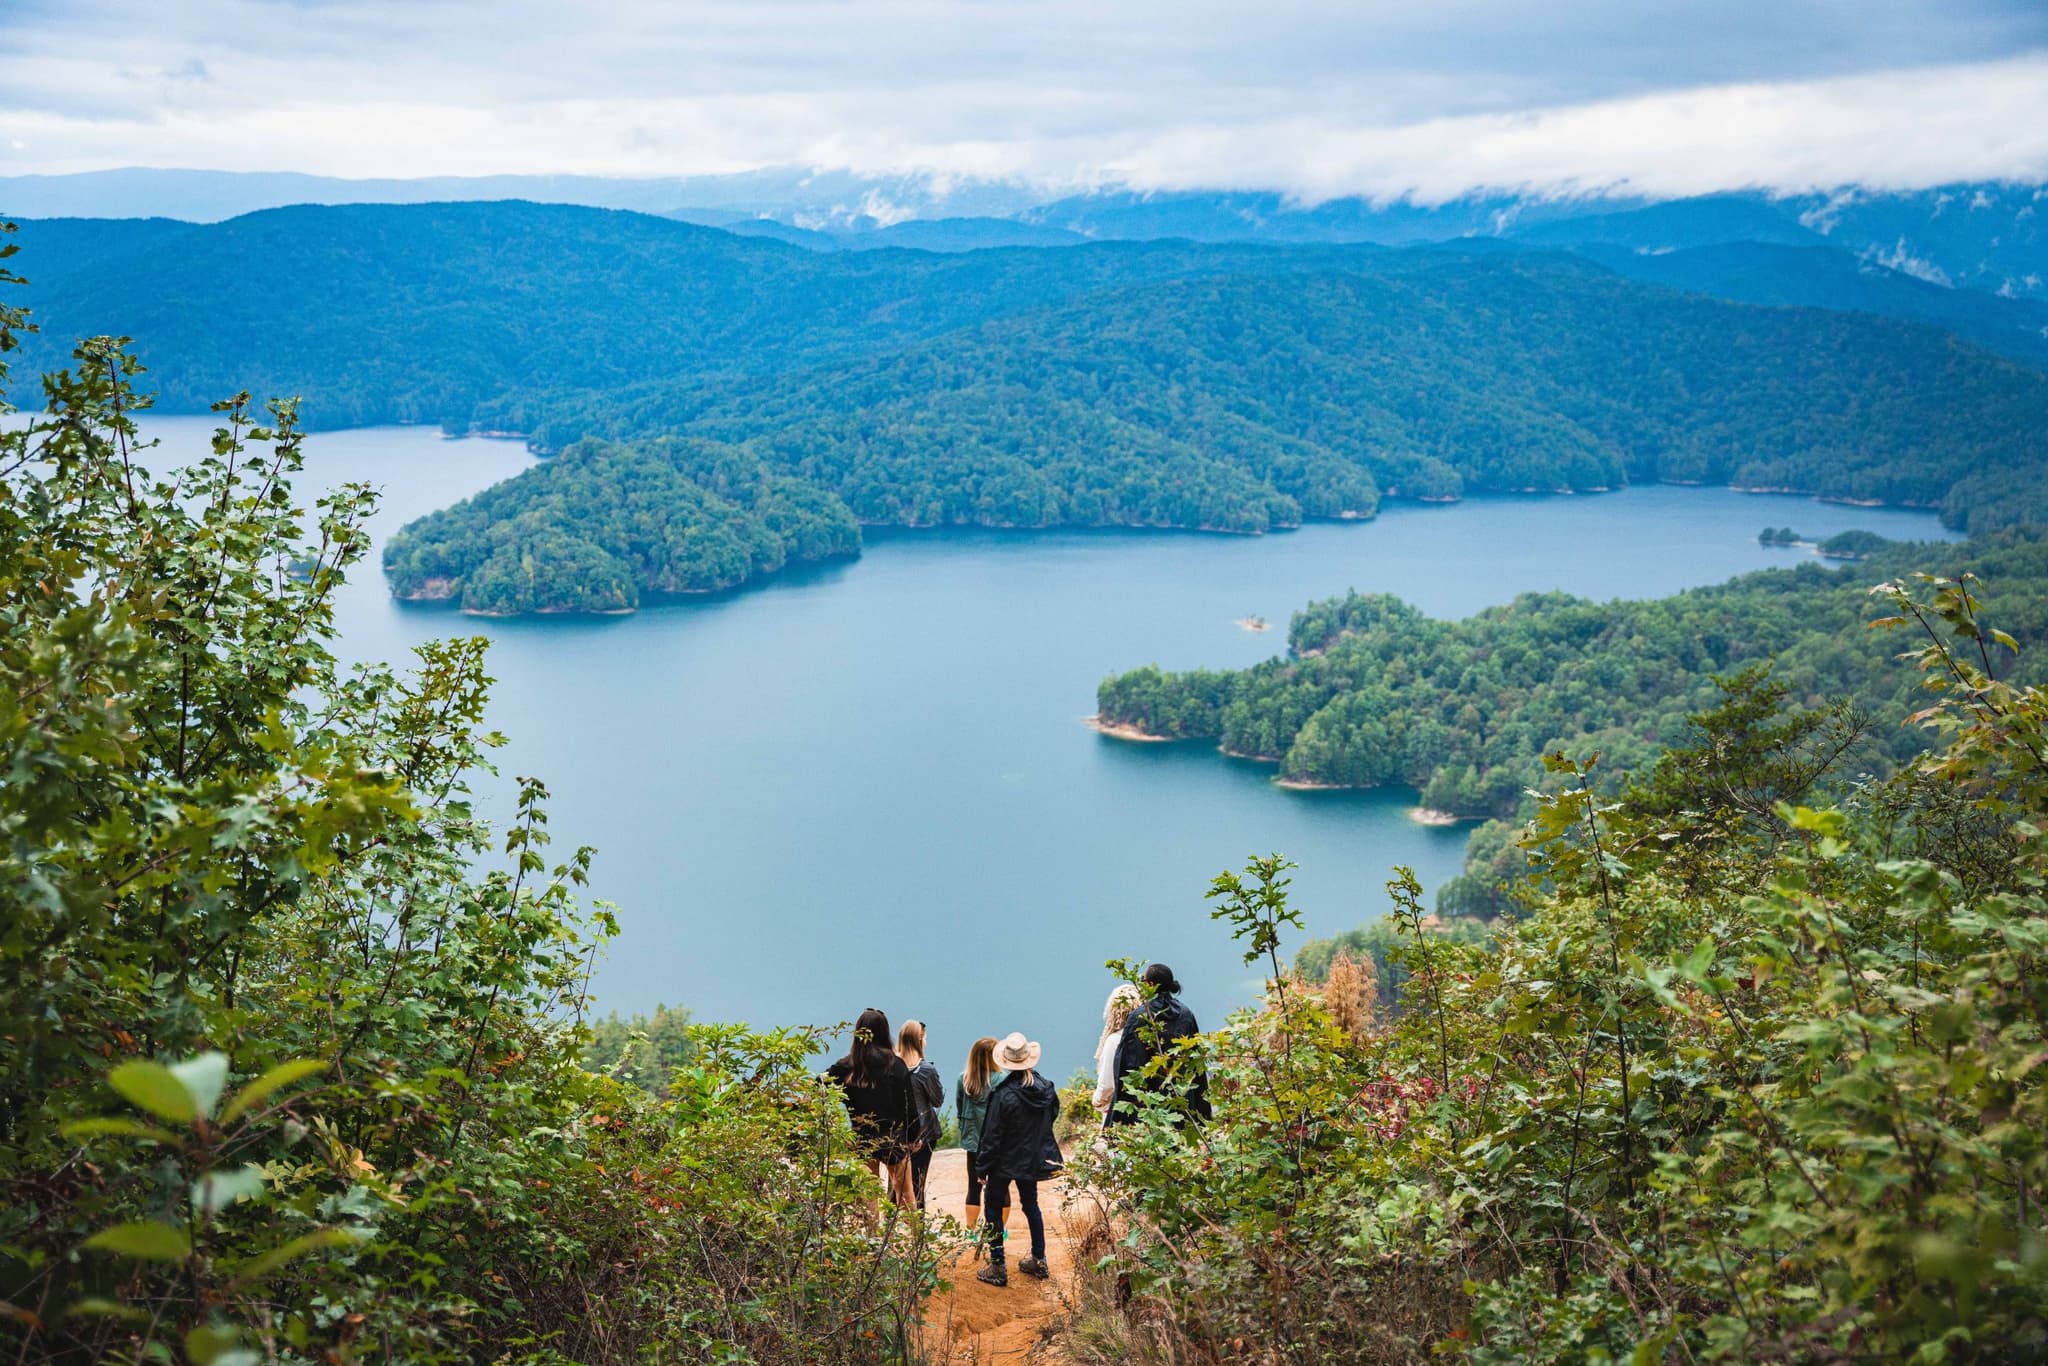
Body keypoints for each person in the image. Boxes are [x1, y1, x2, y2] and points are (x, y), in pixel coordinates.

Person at [974, 1031, 1064, 1288]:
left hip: (1003, 1162)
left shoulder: (1003, 1095)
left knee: (992, 1206)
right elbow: (1052, 1115)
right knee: (1031, 1205)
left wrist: (982, 1167)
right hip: (1031, 1158)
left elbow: (992, 1136)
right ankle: (1039, 1258)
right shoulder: (1046, 1089)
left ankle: (998, 1265)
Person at [823, 1007, 918, 1206]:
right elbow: (907, 1103)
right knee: (906, 1196)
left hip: (861, 1138)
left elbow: (819, 1085)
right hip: (892, 1138)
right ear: (885, 1032)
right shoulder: (895, 1064)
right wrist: (914, 1135)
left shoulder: (846, 1066)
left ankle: (871, 1236)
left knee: (868, 1198)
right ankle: (914, 1236)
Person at [1106, 963, 1211, 1127]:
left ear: (1149, 984)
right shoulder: (1186, 1015)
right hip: (1182, 1101)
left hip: (1148, 1107)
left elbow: (1128, 1065)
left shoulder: (1139, 1016)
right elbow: (1196, 1063)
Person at [954, 1036, 1006, 1250]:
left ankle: (971, 1231)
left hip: (973, 1140)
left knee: (973, 1186)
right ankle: (999, 1231)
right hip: (998, 1142)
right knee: (1001, 1187)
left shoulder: (964, 1079)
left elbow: (959, 1107)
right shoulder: (1002, 1079)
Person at [898, 1019, 944, 1210]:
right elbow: (937, 1100)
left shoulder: (892, 1066)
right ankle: (918, 1231)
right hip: (924, 1134)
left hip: (898, 1132)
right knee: (918, 1181)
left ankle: (890, 1230)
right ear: (920, 1040)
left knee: (897, 1181)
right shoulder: (926, 1070)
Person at [1091, 983, 1142, 1119]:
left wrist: (1097, 1100)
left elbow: (1107, 1085)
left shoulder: (1114, 1041)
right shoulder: (1149, 1039)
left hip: (1118, 1115)